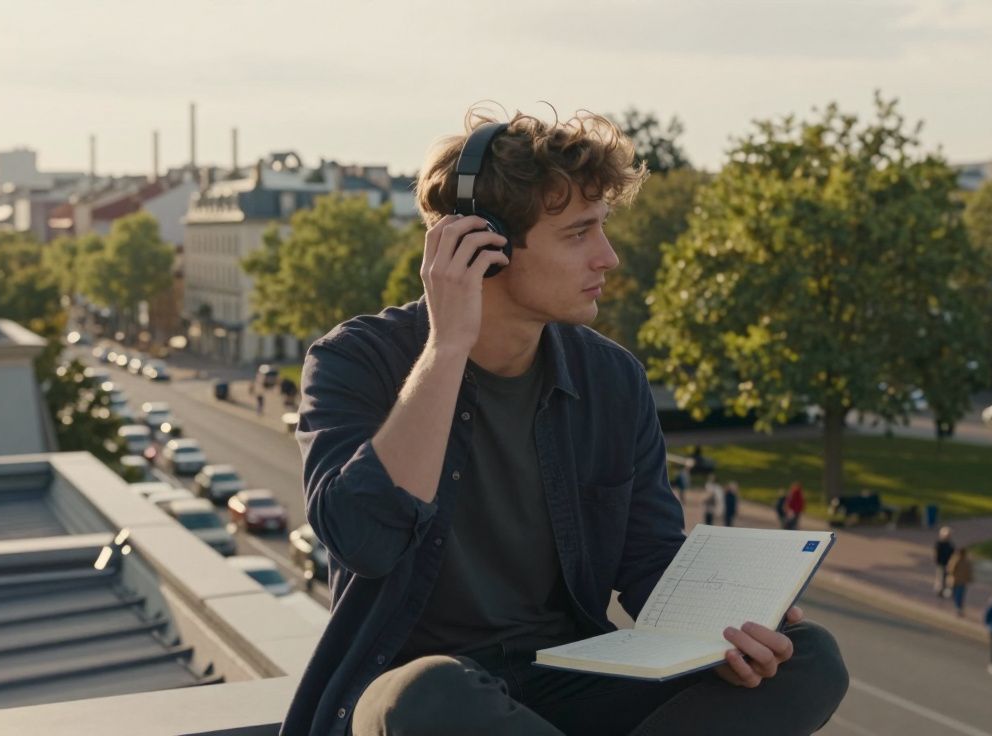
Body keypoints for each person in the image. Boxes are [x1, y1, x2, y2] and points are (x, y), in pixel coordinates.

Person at [281, 108, 848, 736]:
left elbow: (648, 559)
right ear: (484, 245)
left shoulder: (612, 377)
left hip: (569, 672)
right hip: (417, 691)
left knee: (808, 657)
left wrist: (734, 626)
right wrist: (446, 349)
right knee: (430, 691)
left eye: (601, 227)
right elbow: (364, 541)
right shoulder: (355, 360)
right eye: (579, 234)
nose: (608, 258)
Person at [948, 548, 973, 617]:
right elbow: (969, 571)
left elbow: (950, 569)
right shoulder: (964, 561)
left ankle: (958, 609)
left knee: (958, 595)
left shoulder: (957, 560)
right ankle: (959, 608)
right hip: (959, 581)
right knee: (958, 595)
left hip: (958, 581)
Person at [933, 526, 955, 597]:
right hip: (941, 563)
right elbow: (936, 554)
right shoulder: (939, 544)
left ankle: (946, 590)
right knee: (941, 577)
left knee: (948, 578)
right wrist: (937, 561)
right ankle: (940, 590)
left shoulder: (950, 545)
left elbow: (953, 555)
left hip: (948, 564)